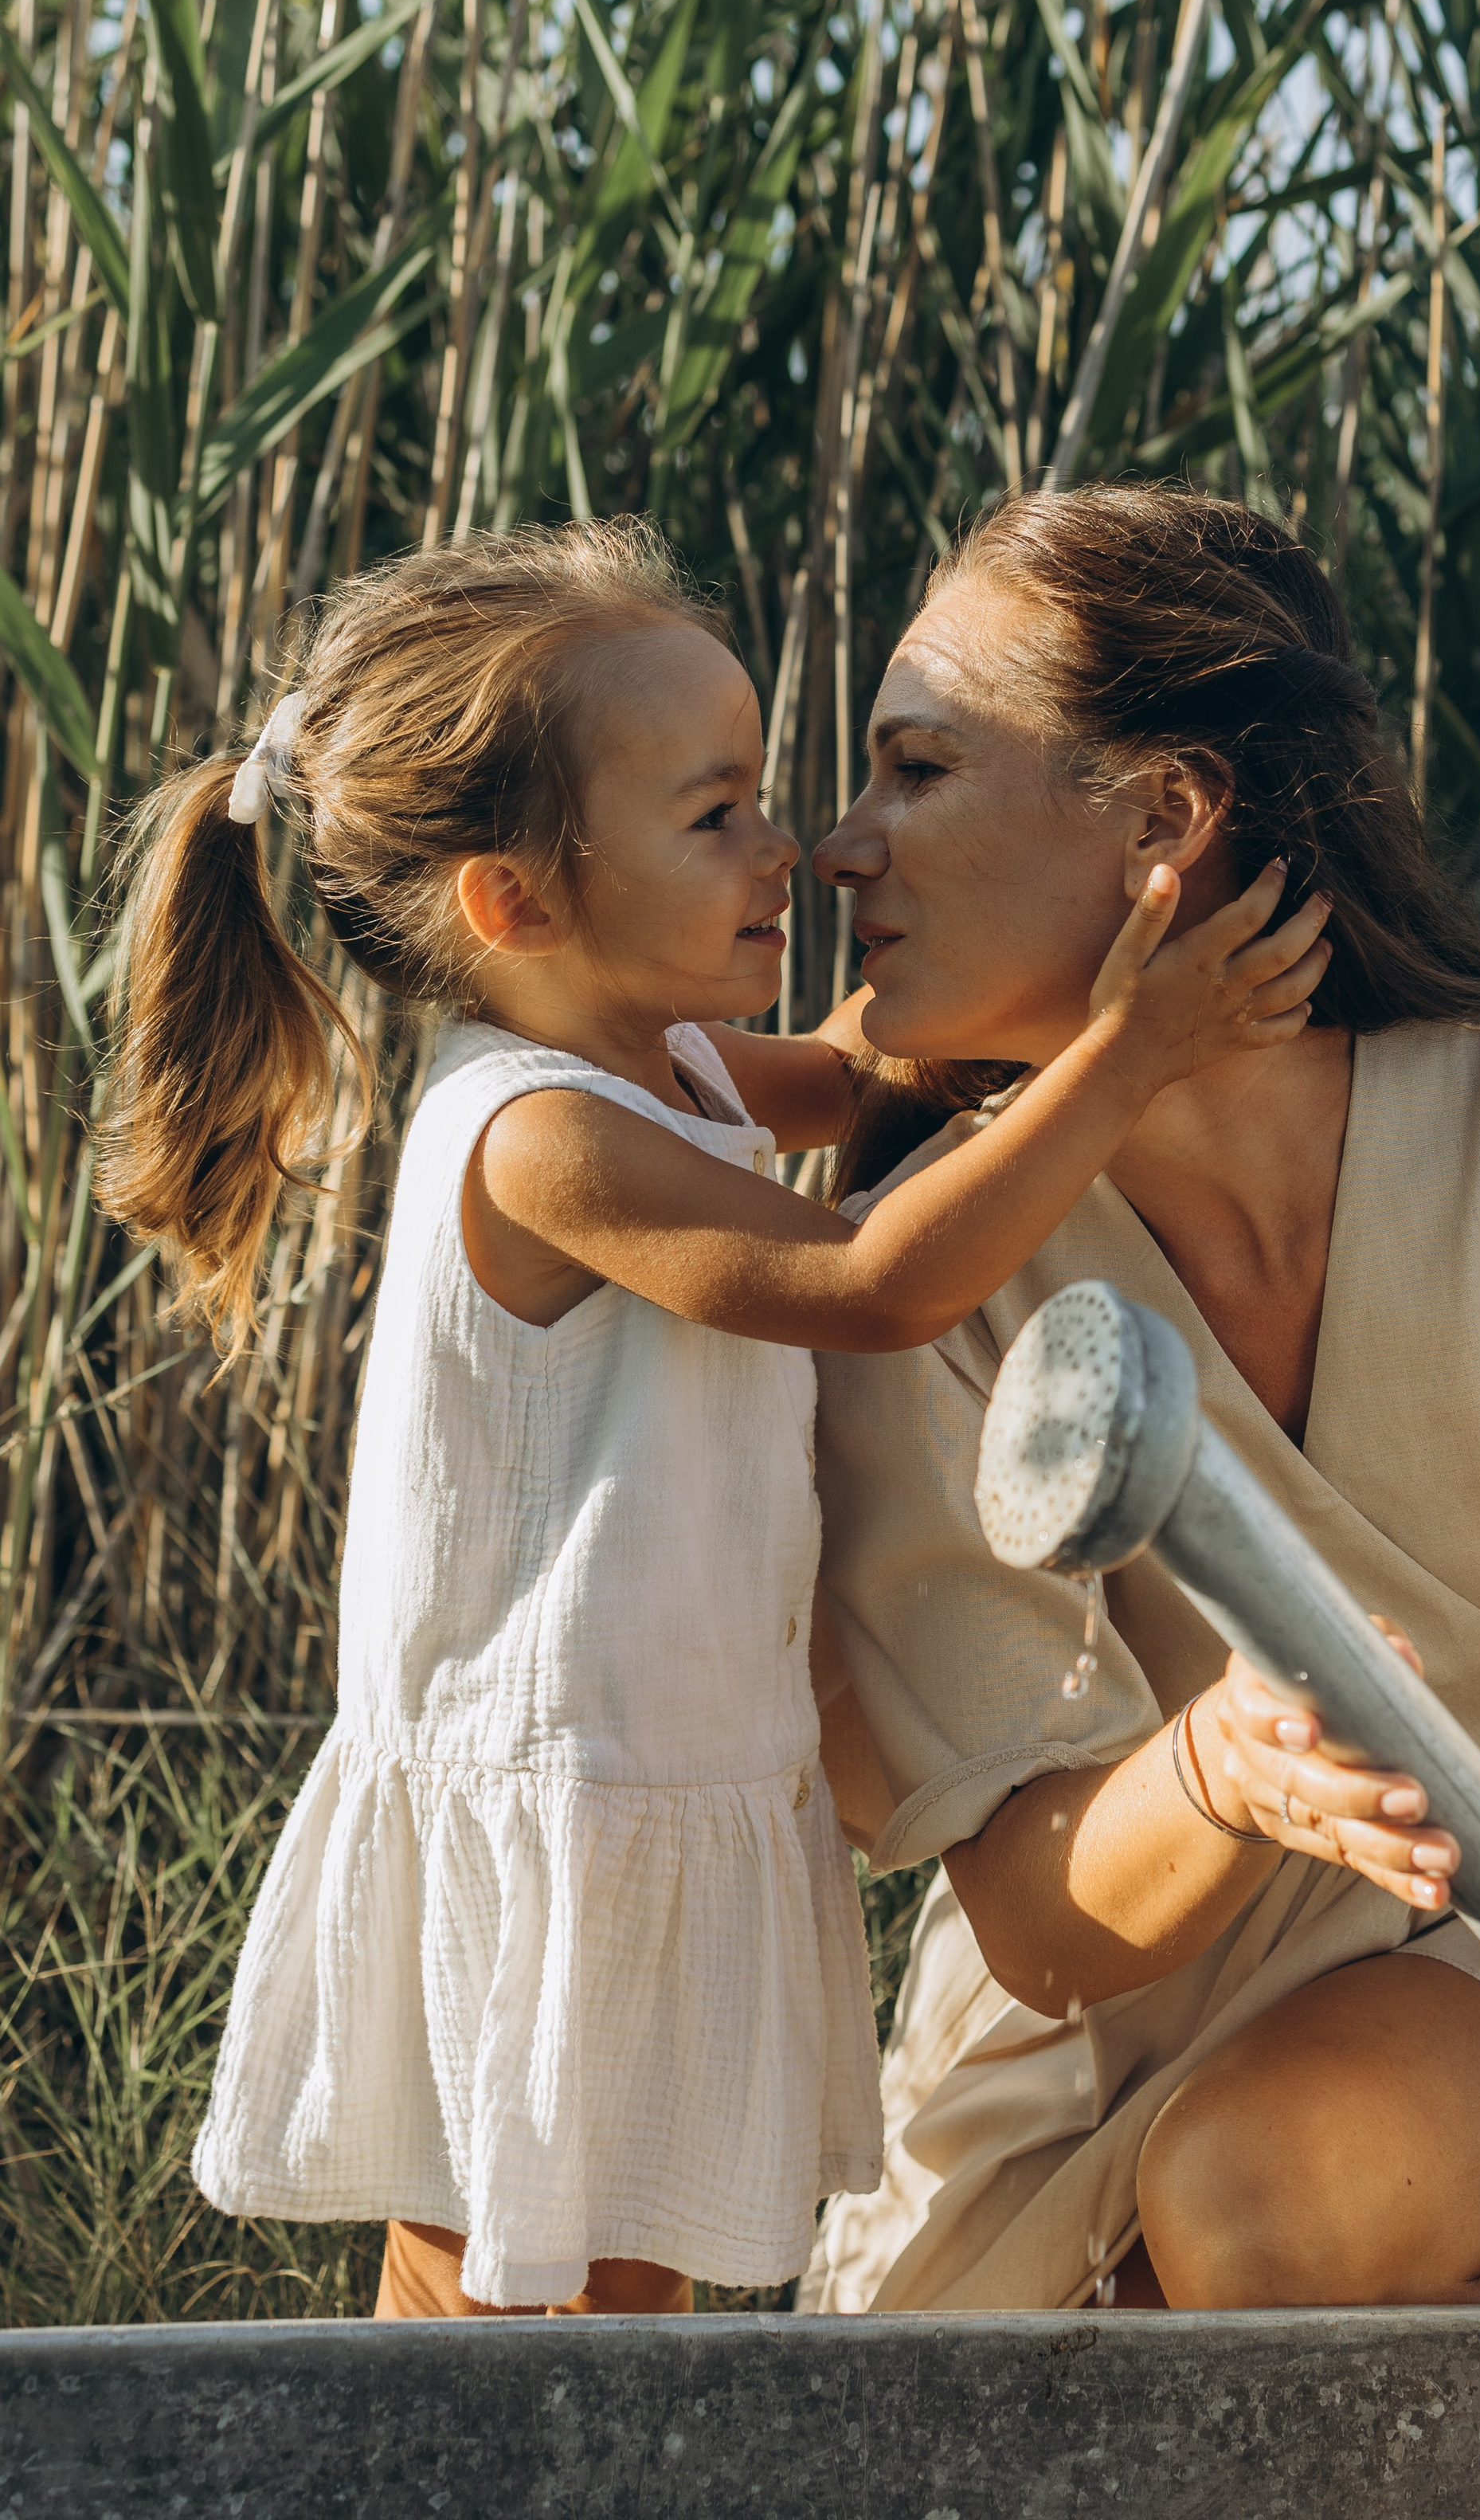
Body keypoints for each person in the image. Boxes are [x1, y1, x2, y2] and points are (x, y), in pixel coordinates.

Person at [96, 519, 1330, 2319]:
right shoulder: (534, 1136)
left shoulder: (659, 1057)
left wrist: (1066, 959)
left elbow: (857, 1073)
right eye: (715, 817)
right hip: (560, 1809)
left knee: (623, 2304)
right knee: (507, 2310)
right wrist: (1127, 1054)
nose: (792, 849)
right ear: (513, 901)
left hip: (666, 1777)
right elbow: (865, 1282)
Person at [799, 482, 1480, 2318]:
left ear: (1162, 818)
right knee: (1207, 2298)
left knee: (1256, 2203)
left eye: (914, 769)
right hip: (1115, 2060)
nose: (838, 847)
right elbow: (1046, 1931)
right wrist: (1222, 1766)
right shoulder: (927, 1285)